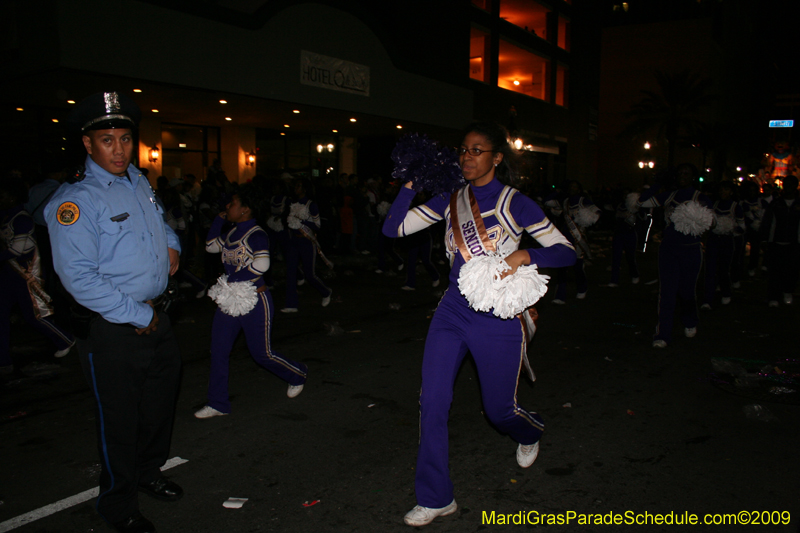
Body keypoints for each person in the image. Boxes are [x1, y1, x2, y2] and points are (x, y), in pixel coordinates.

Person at [382, 122, 576, 527]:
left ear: (496, 158)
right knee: (432, 402)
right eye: (463, 151)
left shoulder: (514, 203)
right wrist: (410, 183)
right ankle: (437, 498)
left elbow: (565, 251)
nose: (467, 157)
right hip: (453, 310)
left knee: (498, 411)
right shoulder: (450, 199)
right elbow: (393, 228)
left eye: (477, 150)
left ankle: (529, 430)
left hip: (498, 316)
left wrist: (523, 257)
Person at [44, 91, 183, 533]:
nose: (119, 149)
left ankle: (148, 473)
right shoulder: (75, 202)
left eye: (125, 138)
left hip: (159, 318)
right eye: (108, 140)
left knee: (159, 408)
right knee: (119, 422)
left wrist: (173, 245)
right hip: (114, 330)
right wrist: (139, 316)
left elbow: (160, 224)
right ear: (88, 144)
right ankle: (117, 504)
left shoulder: (138, 182)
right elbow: (78, 278)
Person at [195, 183, 308, 419]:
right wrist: (218, 219)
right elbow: (209, 247)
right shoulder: (231, 232)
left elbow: (262, 264)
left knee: (261, 354)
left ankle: (297, 373)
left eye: (233, 204)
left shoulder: (256, 233)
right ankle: (218, 403)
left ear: (245, 209)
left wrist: (234, 278)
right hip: (231, 300)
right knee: (218, 350)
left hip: (256, 301)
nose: (228, 206)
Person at [1, 176, 74, 375]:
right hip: (11, 274)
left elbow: (17, 250)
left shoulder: (22, 219)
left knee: (34, 315)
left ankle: (65, 339)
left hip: (24, 274)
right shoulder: (10, 217)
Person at [638, 163, 712, 347]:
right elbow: (642, 202)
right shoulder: (669, 195)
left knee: (687, 291)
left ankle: (690, 320)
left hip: (691, 250)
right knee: (667, 292)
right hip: (669, 249)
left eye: (687, 173)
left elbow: (712, 222)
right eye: (680, 173)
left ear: (693, 177)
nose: (683, 176)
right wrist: (658, 184)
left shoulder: (700, 198)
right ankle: (662, 334)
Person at [280, 177, 333, 313]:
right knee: (291, 273)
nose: (295, 188)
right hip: (294, 241)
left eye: (298, 186)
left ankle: (326, 292)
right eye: (295, 186)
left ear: (304, 188)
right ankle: (291, 304)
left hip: (307, 242)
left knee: (310, 275)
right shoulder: (293, 202)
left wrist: (301, 221)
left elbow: (317, 225)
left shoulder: (311, 205)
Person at [700, 181, 743, 309]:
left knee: (724, 269)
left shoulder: (736, 207)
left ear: (731, 191)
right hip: (713, 240)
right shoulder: (714, 204)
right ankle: (707, 299)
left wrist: (729, 227)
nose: (723, 192)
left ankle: (726, 291)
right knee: (710, 269)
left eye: (726, 190)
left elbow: (742, 227)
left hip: (727, 241)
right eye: (721, 190)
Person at [761, 175, 800, 307]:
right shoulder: (776, 203)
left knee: (792, 270)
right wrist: (766, 239)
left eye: (791, 185)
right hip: (776, 242)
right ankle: (774, 296)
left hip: (794, 243)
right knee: (775, 271)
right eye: (786, 185)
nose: (788, 188)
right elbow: (768, 221)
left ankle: (788, 291)